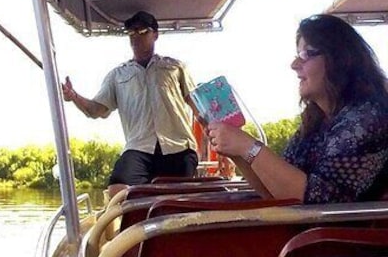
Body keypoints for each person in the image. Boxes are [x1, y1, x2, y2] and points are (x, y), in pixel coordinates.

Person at [207, 13, 388, 203]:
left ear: (340, 59)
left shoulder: (368, 118)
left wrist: (248, 146)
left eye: (306, 54)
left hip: (342, 232)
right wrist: (236, 151)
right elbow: (277, 191)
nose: (294, 65)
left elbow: (317, 200)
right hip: (311, 230)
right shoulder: (317, 122)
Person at [62, 11, 201, 197]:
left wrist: (216, 136)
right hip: (139, 147)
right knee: (118, 189)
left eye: (142, 31)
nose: (136, 36)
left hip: (178, 147)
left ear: (156, 34)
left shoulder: (176, 67)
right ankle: (134, 225)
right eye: (131, 32)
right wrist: (73, 96)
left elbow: (197, 105)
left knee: (177, 201)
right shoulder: (117, 75)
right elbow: (96, 110)